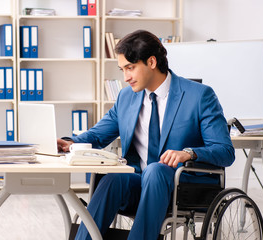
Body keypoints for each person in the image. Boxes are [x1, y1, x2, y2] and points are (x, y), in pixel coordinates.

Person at [58, 30, 235, 240]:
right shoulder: (126, 98)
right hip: (139, 184)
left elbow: (225, 151)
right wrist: (69, 144)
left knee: (155, 170)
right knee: (114, 179)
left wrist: (188, 153)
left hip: (184, 186)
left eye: (130, 68)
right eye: (122, 69)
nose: (125, 77)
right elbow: (98, 135)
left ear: (151, 62)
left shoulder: (200, 96)